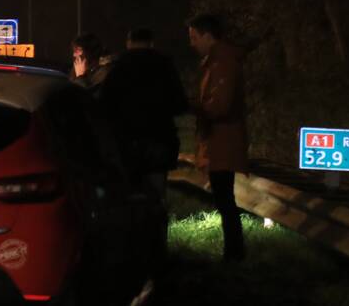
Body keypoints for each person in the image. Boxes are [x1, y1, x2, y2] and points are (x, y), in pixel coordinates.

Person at [101, 28, 189, 199]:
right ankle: (156, 222)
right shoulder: (164, 65)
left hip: (126, 142)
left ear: (129, 43)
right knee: (156, 194)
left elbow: (106, 105)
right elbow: (179, 104)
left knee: (131, 195)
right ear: (151, 43)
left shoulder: (117, 68)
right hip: (159, 138)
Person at [188, 13, 248, 261]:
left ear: (207, 36)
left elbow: (220, 105)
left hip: (222, 141)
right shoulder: (217, 61)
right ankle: (233, 251)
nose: (192, 43)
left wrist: (193, 106)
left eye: (194, 37)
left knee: (225, 198)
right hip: (219, 140)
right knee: (224, 197)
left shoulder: (222, 63)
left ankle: (234, 253)